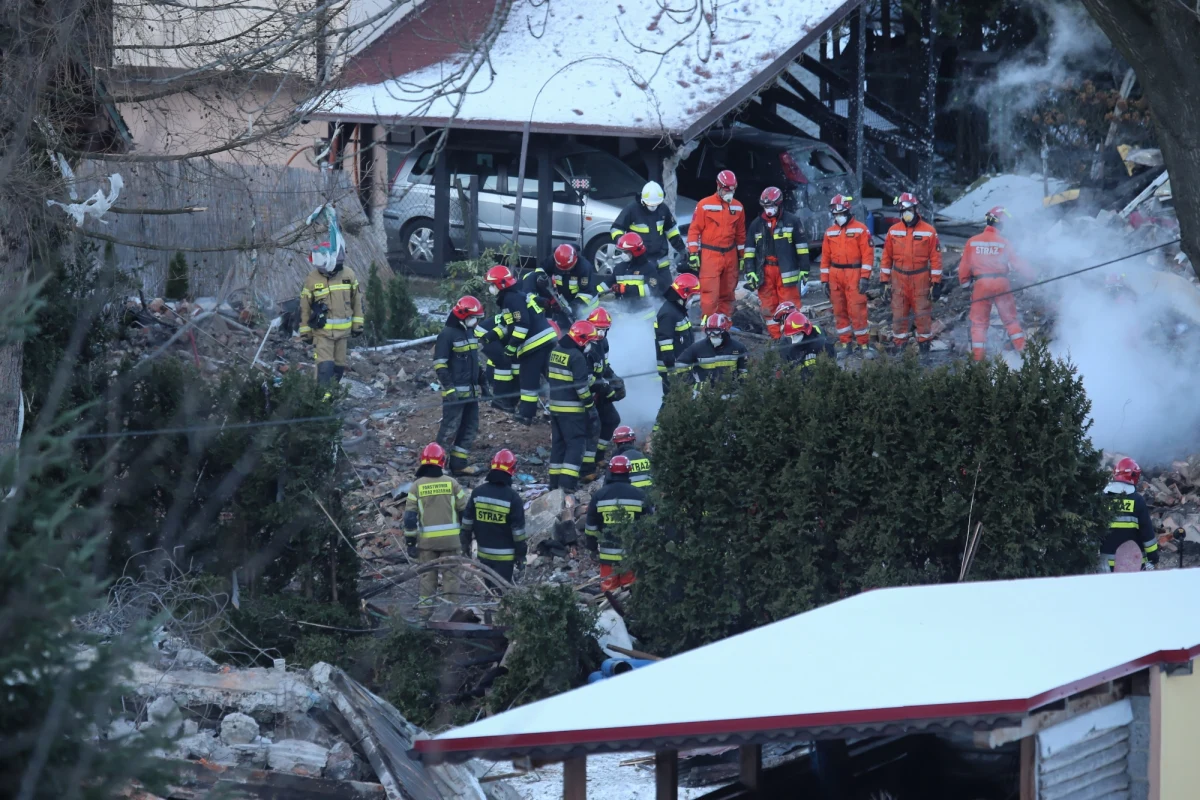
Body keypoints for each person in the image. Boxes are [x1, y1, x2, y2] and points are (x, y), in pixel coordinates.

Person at [480, 265, 558, 423]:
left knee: (528, 380)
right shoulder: (515, 296)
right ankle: (560, 408)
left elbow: (522, 325)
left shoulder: (511, 299)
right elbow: (507, 324)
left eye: (492, 284)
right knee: (553, 376)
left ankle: (525, 415)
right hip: (546, 338)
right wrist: (490, 336)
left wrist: (511, 346)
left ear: (500, 284)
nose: (490, 288)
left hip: (534, 344)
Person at [958, 206, 1036, 362]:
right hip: (1001, 283)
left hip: (981, 284)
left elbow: (964, 267)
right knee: (1011, 320)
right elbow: (1017, 264)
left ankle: (978, 361)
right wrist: (1034, 277)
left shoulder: (972, 242)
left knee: (979, 324)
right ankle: (1024, 356)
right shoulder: (1004, 242)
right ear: (1000, 224)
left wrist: (965, 285)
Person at [402, 443, 469, 616]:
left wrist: (410, 542)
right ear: (443, 461)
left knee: (427, 578)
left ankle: (425, 615)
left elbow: (410, 518)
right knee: (451, 577)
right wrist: (466, 538)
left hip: (427, 543)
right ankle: (450, 614)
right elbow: (465, 512)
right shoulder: (452, 484)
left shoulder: (416, 486)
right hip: (451, 542)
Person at [742, 186, 810, 339]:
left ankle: (794, 337)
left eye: (771, 205)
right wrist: (750, 270)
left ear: (779, 204)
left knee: (790, 305)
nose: (769, 209)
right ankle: (777, 340)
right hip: (765, 272)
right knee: (768, 307)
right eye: (766, 206)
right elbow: (749, 250)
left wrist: (805, 269)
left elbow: (802, 248)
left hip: (786, 271)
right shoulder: (756, 225)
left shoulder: (792, 221)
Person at [880, 192, 943, 353]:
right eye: (903, 211)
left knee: (923, 315)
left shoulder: (929, 231)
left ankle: (924, 352)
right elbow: (886, 257)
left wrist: (936, 283)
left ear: (916, 209)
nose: (906, 214)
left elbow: (936, 259)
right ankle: (900, 351)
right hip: (898, 278)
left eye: (909, 210)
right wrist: (883, 281)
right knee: (899, 315)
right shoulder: (893, 231)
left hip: (920, 278)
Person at [298, 242, 364, 394]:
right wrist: (305, 331)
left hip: (343, 334)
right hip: (322, 334)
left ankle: (329, 398)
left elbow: (357, 302)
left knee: (338, 369)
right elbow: (305, 307)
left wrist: (358, 325)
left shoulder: (348, 275)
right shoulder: (312, 279)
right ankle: (320, 401)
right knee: (324, 368)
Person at [433, 296, 486, 475]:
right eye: (474, 317)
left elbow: (475, 363)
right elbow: (440, 365)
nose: (476, 321)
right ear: (463, 315)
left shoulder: (469, 333)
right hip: (455, 393)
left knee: (469, 427)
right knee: (449, 429)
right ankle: (435, 467)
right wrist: (449, 389)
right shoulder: (447, 335)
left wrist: (483, 384)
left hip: (471, 393)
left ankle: (458, 464)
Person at [819, 195, 876, 360]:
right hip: (835, 275)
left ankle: (864, 345)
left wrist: (865, 277)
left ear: (848, 211)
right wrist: (824, 280)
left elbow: (868, 255)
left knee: (857, 310)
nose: (838, 217)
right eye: (835, 214)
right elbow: (825, 259)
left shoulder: (861, 229)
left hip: (854, 274)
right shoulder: (830, 233)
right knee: (839, 311)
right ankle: (846, 344)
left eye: (841, 213)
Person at [585, 455, 653, 591]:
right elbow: (649, 525)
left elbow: (591, 527)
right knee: (630, 594)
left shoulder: (599, 495)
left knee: (609, 597)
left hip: (607, 558)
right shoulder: (640, 495)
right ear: (629, 471)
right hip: (632, 557)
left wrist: (592, 548)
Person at [461, 449, 527, 584]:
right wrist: (521, 556)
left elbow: (467, 523)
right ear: (512, 470)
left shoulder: (477, 493)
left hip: (484, 555)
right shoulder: (513, 498)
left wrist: (465, 545)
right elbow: (518, 534)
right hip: (505, 558)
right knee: (502, 594)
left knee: (490, 591)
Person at [548, 320, 599, 492]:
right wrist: (590, 406)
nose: (590, 345)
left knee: (558, 446)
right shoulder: (577, 357)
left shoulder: (556, 351)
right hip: (572, 410)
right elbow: (581, 387)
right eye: (589, 341)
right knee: (575, 445)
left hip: (555, 407)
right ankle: (567, 485)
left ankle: (554, 484)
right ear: (582, 339)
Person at [687, 170, 746, 317]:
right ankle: (709, 330)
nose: (730, 193)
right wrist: (693, 253)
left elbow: (740, 235)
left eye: (732, 190)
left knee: (728, 294)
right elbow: (694, 230)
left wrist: (743, 256)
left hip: (730, 255)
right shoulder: (704, 205)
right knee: (709, 296)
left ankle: (724, 327)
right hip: (710, 255)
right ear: (718, 186)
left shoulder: (738, 207)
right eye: (727, 190)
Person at [520, 243, 609, 327]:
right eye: (561, 268)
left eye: (567, 268)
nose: (564, 271)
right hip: (565, 298)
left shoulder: (584, 267)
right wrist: (541, 277)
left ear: (575, 260)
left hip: (586, 303)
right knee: (561, 321)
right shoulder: (554, 259)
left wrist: (571, 308)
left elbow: (585, 294)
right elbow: (541, 268)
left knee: (571, 322)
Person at [611, 181, 688, 278]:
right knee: (641, 292)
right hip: (639, 262)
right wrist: (625, 250)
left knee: (666, 291)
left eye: (656, 204)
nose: (653, 207)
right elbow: (616, 229)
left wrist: (681, 249)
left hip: (661, 263)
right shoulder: (632, 209)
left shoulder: (663, 209)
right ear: (642, 200)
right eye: (650, 205)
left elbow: (672, 232)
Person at [582, 307, 624, 480]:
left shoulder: (603, 343)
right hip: (587, 393)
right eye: (597, 329)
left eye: (603, 330)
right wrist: (606, 389)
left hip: (599, 389)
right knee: (592, 428)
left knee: (612, 420)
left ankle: (598, 456)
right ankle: (586, 468)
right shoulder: (584, 346)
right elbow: (586, 377)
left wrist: (614, 379)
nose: (599, 333)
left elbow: (604, 367)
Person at [1101, 457, 1159, 572]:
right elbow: (1146, 533)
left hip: (1105, 565)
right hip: (1133, 564)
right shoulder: (1137, 500)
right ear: (1134, 476)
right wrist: (1153, 558)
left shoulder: (1102, 498)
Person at [654, 273, 701, 395]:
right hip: (674, 370)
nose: (693, 300)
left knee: (683, 403)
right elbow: (666, 346)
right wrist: (672, 371)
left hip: (682, 367)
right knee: (673, 403)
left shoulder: (678, 310)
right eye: (692, 296)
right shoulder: (669, 314)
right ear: (684, 294)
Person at [676, 312, 749, 384]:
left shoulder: (738, 348)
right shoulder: (698, 348)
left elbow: (744, 371)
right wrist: (692, 383)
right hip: (706, 393)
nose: (713, 335)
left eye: (716, 331)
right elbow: (680, 365)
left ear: (723, 331)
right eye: (709, 331)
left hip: (730, 392)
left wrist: (741, 387)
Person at [611, 232, 669, 299]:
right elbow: (608, 284)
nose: (622, 254)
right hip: (621, 307)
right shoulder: (619, 267)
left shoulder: (649, 269)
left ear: (634, 251)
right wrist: (597, 291)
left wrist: (626, 289)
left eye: (625, 252)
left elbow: (651, 290)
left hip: (643, 308)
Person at [781, 310, 834, 375]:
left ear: (805, 331)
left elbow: (832, 370)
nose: (793, 337)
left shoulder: (822, 345)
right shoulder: (792, 351)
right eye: (791, 335)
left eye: (796, 334)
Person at [611, 425, 652, 489]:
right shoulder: (646, 457)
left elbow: (608, 484)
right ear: (633, 441)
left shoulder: (616, 462)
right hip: (651, 496)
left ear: (616, 443)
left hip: (629, 496)